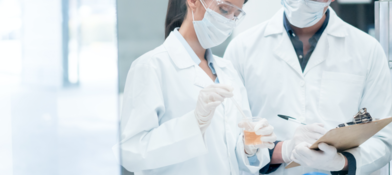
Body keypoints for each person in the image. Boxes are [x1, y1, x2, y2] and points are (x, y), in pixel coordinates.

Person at [223, 0, 392, 174]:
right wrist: (282, 150)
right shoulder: (242, 49)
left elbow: (383, 140)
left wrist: (340, 162)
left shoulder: (367, 50)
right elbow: (232, 136)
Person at [118, 0, 277, 174]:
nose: (229, 20)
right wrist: (194, 123)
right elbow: (131, 152)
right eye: (224, 10)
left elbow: (230, 152)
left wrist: (249, 147)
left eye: (236, 15)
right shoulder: (151, 66)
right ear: (193, 2)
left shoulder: (228, 71)